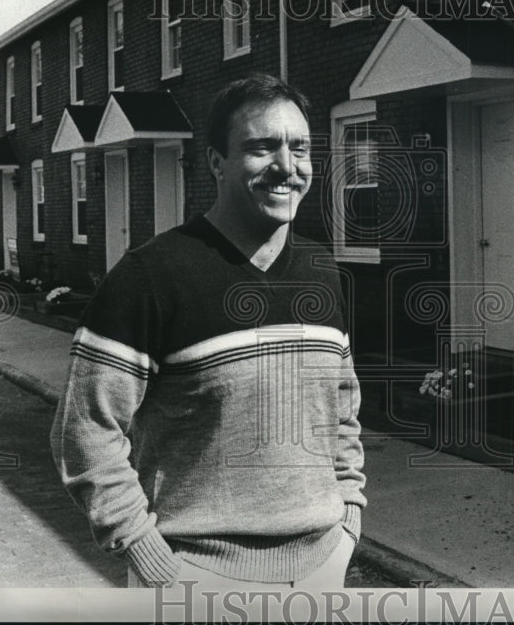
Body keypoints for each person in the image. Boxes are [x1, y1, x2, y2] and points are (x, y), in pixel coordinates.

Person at [50, 74, 366, 590]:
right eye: (261, 148)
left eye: (300, 148)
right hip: (194, 579)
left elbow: (343, 411)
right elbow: (85, 431)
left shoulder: (320, 270)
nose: (287, 167)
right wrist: (154, 561)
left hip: (321, 571)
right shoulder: (149, 277)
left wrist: (349, 517)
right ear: (216, 163)